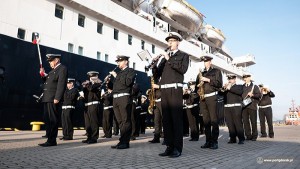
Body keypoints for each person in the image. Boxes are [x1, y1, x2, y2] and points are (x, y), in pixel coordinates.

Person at [152, 32, 189, 158]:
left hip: (175, 89)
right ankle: (169, 146)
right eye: (169, 41)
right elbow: (157, 75)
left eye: (172, 41)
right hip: (165, 90)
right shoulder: (164, 58)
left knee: (176, 119)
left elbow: (182, 69)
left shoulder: (183, 55)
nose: (170, 43)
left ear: (178, 42)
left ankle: (177, 148)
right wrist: (154, 65)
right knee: (166, 120)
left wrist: (168, 59)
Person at [38, 54, 67, 147]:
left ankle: (52, 140)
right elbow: (48, 81)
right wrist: (42, 74)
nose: (50, 63)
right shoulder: (53, 71)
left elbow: (61, 84)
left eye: (51, 61)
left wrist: (57, 97)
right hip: (47, 98)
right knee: (47, 118)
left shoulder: (62, 68)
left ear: (57, 60)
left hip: (53, 98)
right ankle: (49, 138)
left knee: (53, 119)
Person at [196, 55, 222, 150]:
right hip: (203, 98)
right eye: (204, 62)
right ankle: (208, 141)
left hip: (212, 97)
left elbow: (219, 84)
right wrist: (198, 86)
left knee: (214, 121)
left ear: (210, 62)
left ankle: (214, 142)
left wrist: (208, 80)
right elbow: (196, 87)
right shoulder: (201, 73)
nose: (205, 63)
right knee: (206, 121)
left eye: (207, 61)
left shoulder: (216, 71)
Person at [110, 55, 136, 149]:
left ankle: (126, 142)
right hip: (116, 98)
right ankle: (122, 141)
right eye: (118, 62)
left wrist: (116, 76)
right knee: (120, 121)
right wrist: (109, 81)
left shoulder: (130, 71)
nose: (118, 63)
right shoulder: (120, 73)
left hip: (124, 97)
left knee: (126, 120)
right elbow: (115, 86)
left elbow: (128, 82)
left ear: (126, 62)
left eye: (120, 61)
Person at [222, 74, 245, 144]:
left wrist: (230, 88)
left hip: (236, 107)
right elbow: (220, 93)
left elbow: (240, 92)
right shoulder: (226, 87)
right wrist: (223, 88)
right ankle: (232, 138)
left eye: (231, 79)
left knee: (238, 123)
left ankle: (241, 138)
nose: (230, 80)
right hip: (227, 107)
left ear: (235, 79)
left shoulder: (239, 86)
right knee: (230, 124)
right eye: (229, 79)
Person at [82, 71, 102, 144]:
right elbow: (85, 93)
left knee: (94, 122)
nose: (92, 78)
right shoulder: (88, 84)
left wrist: (87, 84)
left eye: (93, 77)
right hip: (87, 105)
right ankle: (89, 137)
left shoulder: (98, 83)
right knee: (88, 123)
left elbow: (91, 88)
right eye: (90, 77)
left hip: (94, 104)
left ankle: (94, 138)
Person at [242, 73, 261, 141]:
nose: (245, 78)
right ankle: (248, 136)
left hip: (252, 106)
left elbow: (259, 95)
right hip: (244, 106)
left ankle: (254, 136)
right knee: (245, 122)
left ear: (249, 78)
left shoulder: (254, 86)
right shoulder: (242, 86)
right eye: (244, 77)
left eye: (246, 77)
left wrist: (252, 94)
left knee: (253, 122)